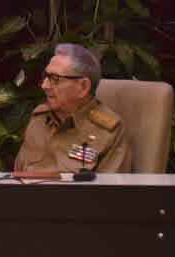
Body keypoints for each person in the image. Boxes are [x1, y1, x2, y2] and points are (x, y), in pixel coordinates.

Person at [14, 43, 131, 173]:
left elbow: (110, 190)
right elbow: (17, 175)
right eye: (45, 77)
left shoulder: (108, 131)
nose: (45, 86)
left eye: (55, 79)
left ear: (83, 87)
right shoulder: (39, 118)